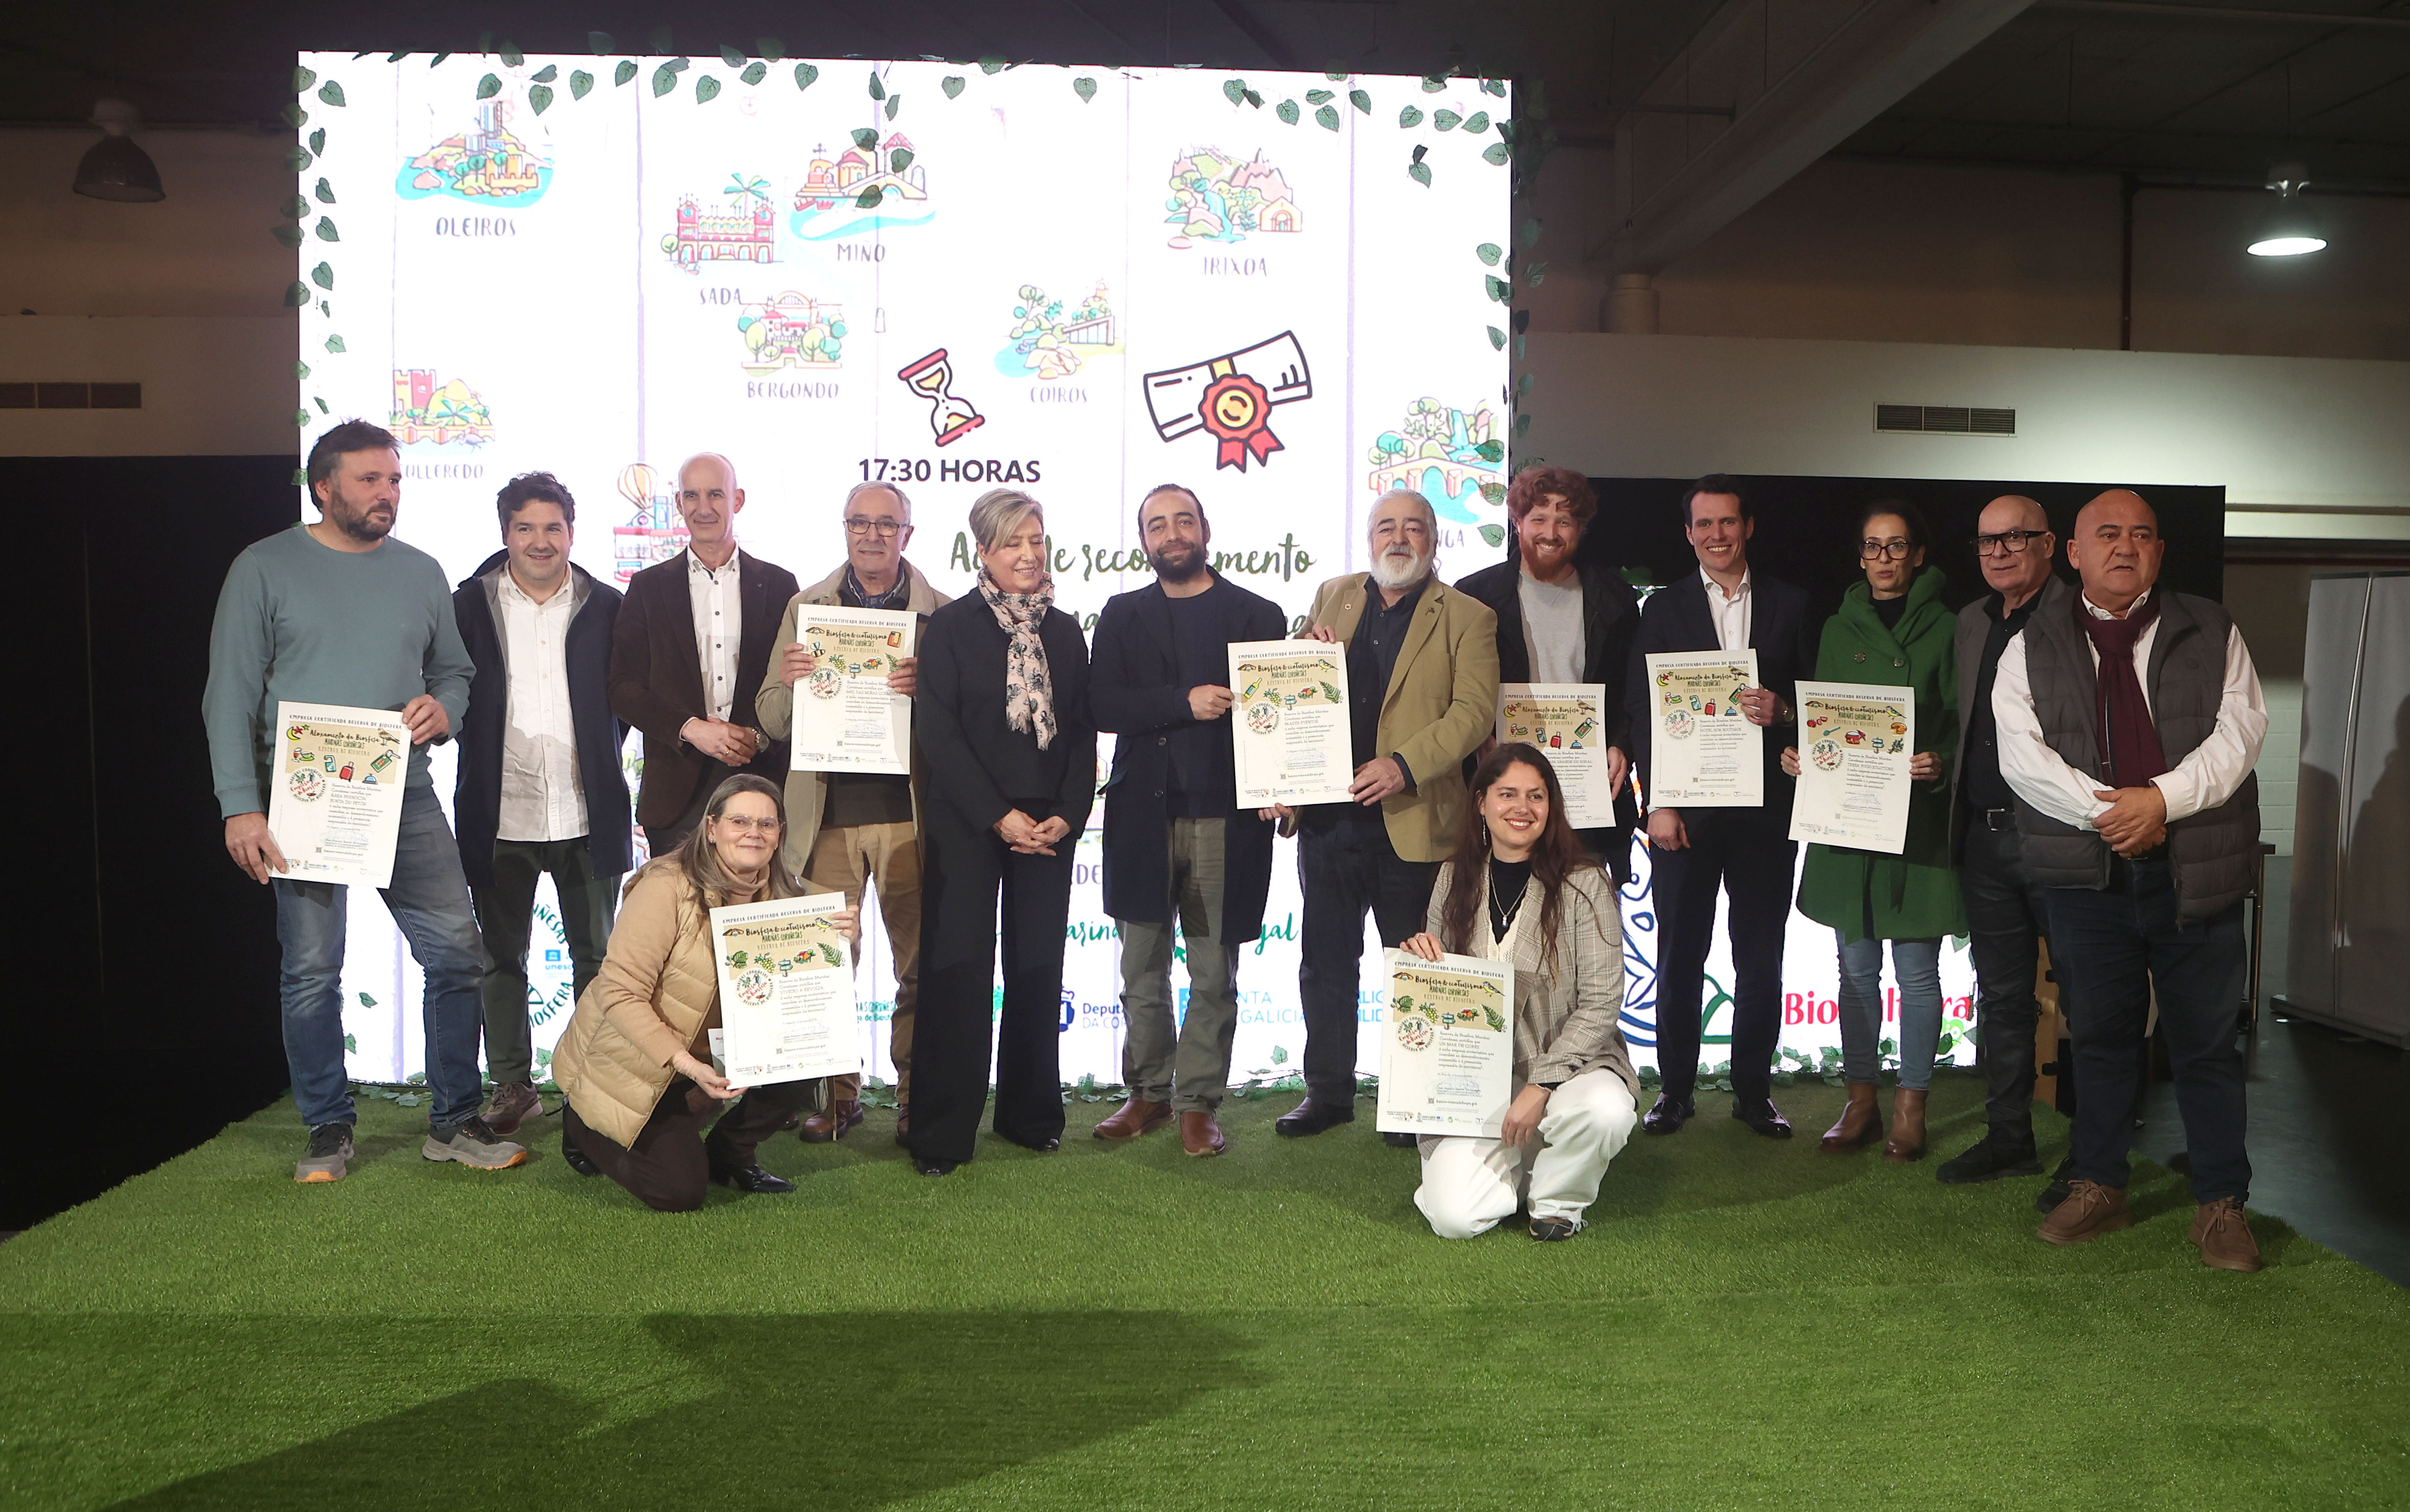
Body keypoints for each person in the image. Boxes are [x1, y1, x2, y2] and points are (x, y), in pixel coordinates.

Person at [204, 418, 528, 1181]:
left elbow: (455, 672)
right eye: (370, 480)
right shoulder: (262, 567)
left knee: (457, 952)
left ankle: (454, 1119)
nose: (388, 493)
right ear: (323, 487)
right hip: (303, 796)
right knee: (312, 968)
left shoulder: (420, 571)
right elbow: (228, 696)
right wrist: (240, 805)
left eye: (395, 480)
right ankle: (327, 1125)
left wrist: (445, 708)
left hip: (402, 792)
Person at [1996, 489, 2268, 1271]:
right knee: (2101, 1038)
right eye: (2107, 533)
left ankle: (2220, 1203)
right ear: (2072, 551)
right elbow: (2020, 753)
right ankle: (2098, 1184)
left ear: (2158, 551)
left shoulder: (2210, 627)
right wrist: (2113, 813)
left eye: (2141, 534)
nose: (2125, 546)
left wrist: (2161, 800)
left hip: (2195, 872)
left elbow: (2240, 731)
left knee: (2206, 1044)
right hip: (2088, 877)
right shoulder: (2029, 640)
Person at [1277, 489, 1500, 1145]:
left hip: (1416, 818)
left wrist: (1404, 765)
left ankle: (1414, 1101)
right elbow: (1297, 684)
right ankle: (1327, 1093)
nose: (1398, 538)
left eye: (1413, 527)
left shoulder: (1468, 615)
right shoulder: (1334, 595)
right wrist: (1303, 649)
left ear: (1435, 538)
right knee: (1325, 963)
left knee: (1420, 967)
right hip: (1329, 819)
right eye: (1386, 527)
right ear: (1369, 536)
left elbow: (1473, 713)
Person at [1088, 484, 1287, 1157]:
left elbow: (1280, 712)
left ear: (1205, 528)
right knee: (1140, 972)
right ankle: (1146, 1093)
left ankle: (1197, 1103)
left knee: (1212, 975)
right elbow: (1102, 704)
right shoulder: (1121, 614)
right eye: (1157, 525)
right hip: (1140, 819)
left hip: (1226, 819)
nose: (1171, 533)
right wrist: (1182, 701)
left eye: (1183, 521)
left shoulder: (1258, 613)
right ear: (1143, 540)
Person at [551, 775, 857, 1211]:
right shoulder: (666, 886)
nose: (754, 832)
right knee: (678, 1192)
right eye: (740, 821)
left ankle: (731, 1151)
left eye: (767, 823)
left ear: (779, 834)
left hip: (707, 1062)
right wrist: (686, 1064)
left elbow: (814, 992)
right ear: (711, 828)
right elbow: (618, 992)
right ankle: (581, 1119)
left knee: (812, 1046)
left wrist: (846, 943)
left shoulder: (785, 895)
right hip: (639, 1062)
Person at [908, 488, 1097, 1176]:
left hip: (1048, 825)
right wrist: (996, 813)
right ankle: (941, 1133)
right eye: (1013, 541)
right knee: (957, 970)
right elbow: (939, 734)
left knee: (1038, 968)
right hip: (967, 819)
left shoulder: (1066, 630)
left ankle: (1030, 1117)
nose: (1028, 553)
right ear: (983, 550)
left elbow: (1082, 732)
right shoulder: (949, 626)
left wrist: (1068, 813)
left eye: (1036, 539)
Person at [755, 480, 950, 1145]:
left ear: (907, 534)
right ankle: (835, 1098)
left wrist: (928, 692)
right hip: (825, 820)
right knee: (825, 964)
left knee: (917, 967)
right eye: (858, 523)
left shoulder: (941, 615)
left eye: (885, 524)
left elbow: (964, 724)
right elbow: (770, 718)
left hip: (909, 820)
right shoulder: (806, 608)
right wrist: (790, 681)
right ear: (844, 529)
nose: (871, 535)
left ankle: (914, 1096)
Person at [1626, 474, 1816, 1140]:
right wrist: (1657, 802)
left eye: (1727, 522)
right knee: (1679, 955)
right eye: (1703, 524)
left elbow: (1819, 700)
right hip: (1685, 814)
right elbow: (1644, 710)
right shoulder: (1661, 610)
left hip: (1766, 811)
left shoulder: (1792, 604)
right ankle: (1674, 1090)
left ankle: (1753, 1091)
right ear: (1687, 533)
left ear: (1748, 527)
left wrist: (1785, 711)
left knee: (1759, 957)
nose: (1716, 534)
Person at [1399, 745, 1642, 1240]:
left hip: (1571, 1069)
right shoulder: (1454, 876)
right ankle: (1524, 1167)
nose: (1522, 807)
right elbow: (1440, 994)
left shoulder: (1585, 882)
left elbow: (1601, 1002)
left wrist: (1540, 1086)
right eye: (1507, 794)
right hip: (1477, 1080)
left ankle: (1557, 1203)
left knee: (1604, 1109)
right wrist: (1418, 960)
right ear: (1481, 802)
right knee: (1453, 1219)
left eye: (1536, 795)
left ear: (1551, 806)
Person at [451, 472, 631, 1137]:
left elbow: (623, 704)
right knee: (500, 959)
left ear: (572, 533)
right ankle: (512, 1084)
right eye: (525, 527)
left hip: (588, 814)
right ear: (505, 533)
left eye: (553, 527)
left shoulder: (608, 605)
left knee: (598, 960)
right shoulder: (466, 606)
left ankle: (589, 1083)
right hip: (499, 814)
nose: (540, 541)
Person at [1782, 502, 1963, 1160]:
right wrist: (1801, 754)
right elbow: (1824, 715)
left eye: (1897, 545)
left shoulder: (1950, 625)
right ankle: (1860, 1099)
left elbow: (1965, 720)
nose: (1884, 558)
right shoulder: (1837, 626)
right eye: (1872, 546)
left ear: (1918, 554)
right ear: (1859, 556)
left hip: (1915, 822)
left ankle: (1911, 1105)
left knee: (1917, 972)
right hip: (1847, 820)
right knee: (1855, 969)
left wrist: (1940, 760)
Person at [1936, 495, 2076, 1191]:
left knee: (2085, 996)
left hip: (2059, 836)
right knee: (2000, 998)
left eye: (2014, 537)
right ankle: (2009, 1138)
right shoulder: (1971, 621)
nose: (1998, 551)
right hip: (1985, 837)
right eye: (1986, 540)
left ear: (2049, 544)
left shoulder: (2080, 616)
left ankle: (2091, 1154)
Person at [1454, 465, 1643, 881]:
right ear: (1517, 522)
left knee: (1583, 907)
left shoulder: (1614, 598)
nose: (1550, 533)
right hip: (1502, 780)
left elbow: (1632, 688)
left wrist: (1620, 744)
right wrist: (1478, 739)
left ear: (1581, 528)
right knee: (1502, 907)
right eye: (1538, 519)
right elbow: (1454, 686)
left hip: (1586, 786)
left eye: (1564, 521)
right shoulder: (1473, 596)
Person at [608, 452, 800, 855]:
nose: (703, 507)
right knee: (678, 900)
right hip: (675, 794)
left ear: (738, 500)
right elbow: (623, 689)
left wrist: (758, 736)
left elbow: (792, 684)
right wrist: (690, 728)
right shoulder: (647, 588)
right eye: (692, 496)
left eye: (715, 494)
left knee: (756, 900)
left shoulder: (781, 586)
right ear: (679, 504)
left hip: (761, 784)